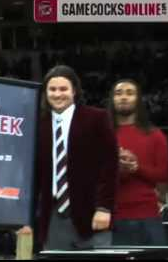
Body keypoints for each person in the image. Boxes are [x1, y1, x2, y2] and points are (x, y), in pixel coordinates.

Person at [34, 65, 118, 250]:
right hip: (53, 217)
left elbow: (110, 166)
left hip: (93, 215)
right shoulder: (38, 125)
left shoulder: (97, 118)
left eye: (63, 89)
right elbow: (34, 175)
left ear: (74, 91)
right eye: (52, 89)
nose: (57, 94)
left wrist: (104, 208)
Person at [109, 79, 168, 245]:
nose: (123, 97)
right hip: (111, 217)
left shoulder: (155, 135)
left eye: (130, 93)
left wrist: (136, 168)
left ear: (138, 99)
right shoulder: (102, 135)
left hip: (148, 216)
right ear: (112, 99)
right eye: (118, 93)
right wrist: (117, 169)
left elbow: (163, 174)